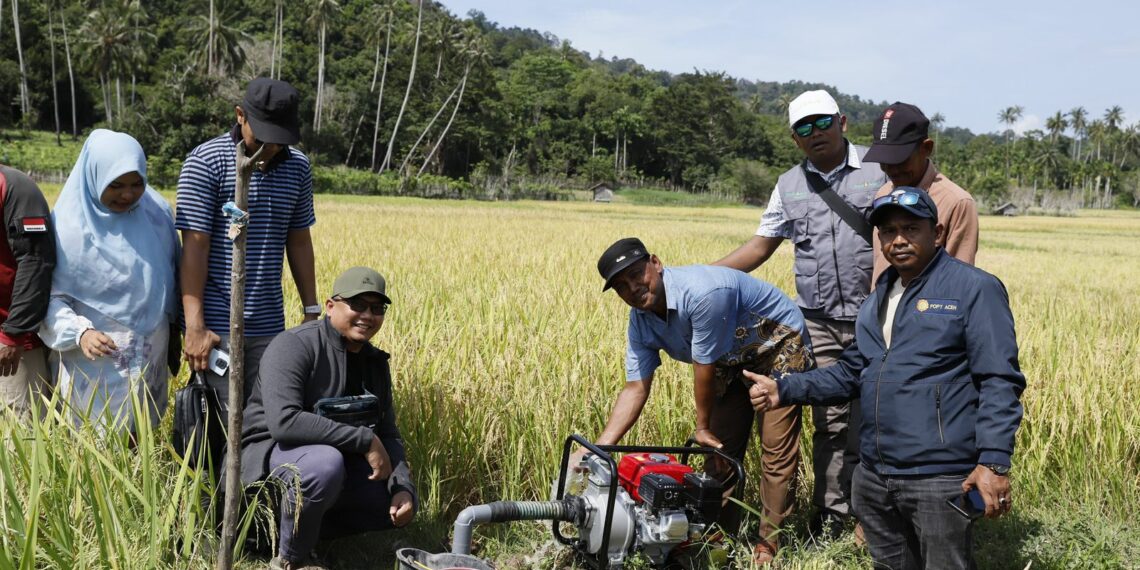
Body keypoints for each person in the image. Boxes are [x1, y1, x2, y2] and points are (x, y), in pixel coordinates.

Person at [748, 187, 1025, 569]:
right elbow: (851, 373)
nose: (898, 240)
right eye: (888, 231)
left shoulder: (974, 289)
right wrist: (786, 387)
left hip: (939, 476)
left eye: (911, 229)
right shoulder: (880, 295)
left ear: (938, 233)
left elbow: (999, 379)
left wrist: (994, 463)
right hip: (876, 475)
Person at [714, 89, 887, 538]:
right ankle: (831, 516)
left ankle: (875, 515)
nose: (815, 134)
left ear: (842, 122)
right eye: (803, 128)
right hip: (819, 321)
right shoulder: (788, 185)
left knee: (880, 414)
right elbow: (761, 246)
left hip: (881, 317)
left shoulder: (879, 167)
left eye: (822, 123)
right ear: (794, 139)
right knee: (829, 421)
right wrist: (701, 274)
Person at [579, 237, 814, 564]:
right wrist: (597, 447)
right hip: (731, 357)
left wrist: (702, 426)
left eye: (636, 275)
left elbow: (703, 367)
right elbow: (635, 388)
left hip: (776, 343)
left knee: (774, 450)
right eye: (621, 286)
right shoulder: (641, 321)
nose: (633, 288)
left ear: (656, 263)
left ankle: (768, 545)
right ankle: (717, 539)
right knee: (718, 453)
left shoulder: (702, 293)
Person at [239, 266, 416, 570]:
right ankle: (291, 558)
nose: (367, 315)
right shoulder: (293, 345)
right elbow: (285, 423)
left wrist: (403, 487)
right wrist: (364, 439)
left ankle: (313, 536)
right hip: (268, 461)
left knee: (387, 492)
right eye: (357, 305)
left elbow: (387, 432)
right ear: (331, 306)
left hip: (331, 463)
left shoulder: (374, 363)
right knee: (324, 465)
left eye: (377, 308)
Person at [176, 77, 319, 419]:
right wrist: (195, 326)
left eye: (279, 140)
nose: (269, 148)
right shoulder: (206, 162)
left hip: (270, 322)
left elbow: (298, 240)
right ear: (240, 115)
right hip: (216, 323)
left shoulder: (297, 166)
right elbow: (194, 249)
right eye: (263, 137)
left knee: (264, 418)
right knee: (219, 420)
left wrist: (311, 309)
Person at [38, 130, 180, 432]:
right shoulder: (65, 229)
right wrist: (80, 333)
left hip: (149, 353)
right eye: (115, 185)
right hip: (92, 359)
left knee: (142, 436)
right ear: (93, 177)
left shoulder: (156, 215)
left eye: (136, 183)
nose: (127, 195)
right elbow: (47, 297)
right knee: (90, 441)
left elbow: (173, 277)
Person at [862, 102, 979, 282]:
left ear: (926, 148)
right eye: (884, 161)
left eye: (900, 160)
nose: (891, 170)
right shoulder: (883, 194)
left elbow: (959, 281)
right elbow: (881, 268)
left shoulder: (956, 202)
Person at [0, 164, 55, 419]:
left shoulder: (15, 187)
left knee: (22, 432)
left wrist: (14, 334)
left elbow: (35, 262)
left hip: (13, 343)